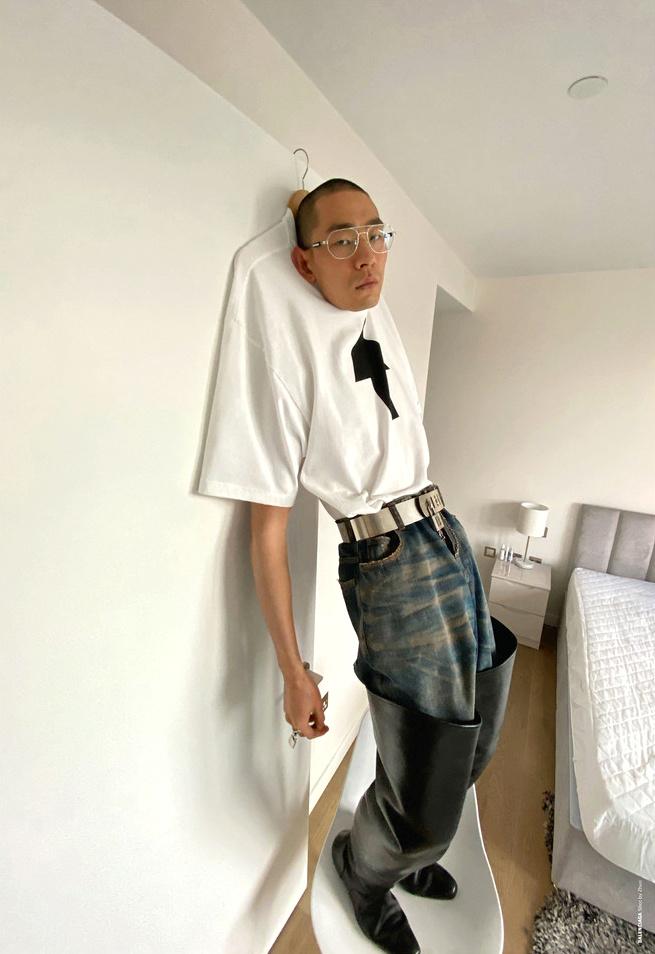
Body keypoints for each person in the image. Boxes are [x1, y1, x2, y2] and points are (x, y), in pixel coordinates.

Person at [199, 179, 517, 954]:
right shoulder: (285, 350)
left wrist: (322, 215)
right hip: (389, 564)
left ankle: (406, 848)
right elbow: (265, 533)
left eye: (376, 235)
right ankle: (366, 869)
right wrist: (292, 670)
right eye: (342, 242)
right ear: (304, 262)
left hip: (445, 534)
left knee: (475, 737)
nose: (367, 255)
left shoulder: (373, 311)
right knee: (428, 779)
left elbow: (316, 210)